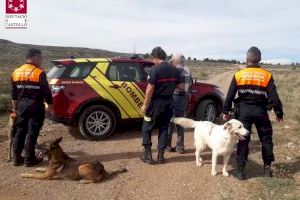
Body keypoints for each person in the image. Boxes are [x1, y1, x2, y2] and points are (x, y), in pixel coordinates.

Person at [223, 46, 283, 180]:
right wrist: (279, 114)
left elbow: (230, 95)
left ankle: (240, 171)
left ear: (246, 59)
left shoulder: (239, 74)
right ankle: (267, 169)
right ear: (260, 59)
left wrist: (226, 111)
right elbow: (274, 98)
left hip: (243, 112)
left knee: (243, 140)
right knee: (266, 139)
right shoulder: (266, 75)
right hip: (261, 111)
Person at [141, 47, 184, 164]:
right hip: (168, 104)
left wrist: (145, 105)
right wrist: (169, 86)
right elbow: (181, 87)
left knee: (147, 127)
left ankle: (148, 155)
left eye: (152, 58)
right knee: (164, 128)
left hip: (154, 104)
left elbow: (150, 88)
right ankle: (161, 156)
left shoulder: (154, 69)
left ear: (155, 57)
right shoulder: (175, 70)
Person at [11, 48, 53, 167]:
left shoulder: (16, 72)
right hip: (35, 106)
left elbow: (13, 94)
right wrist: (50, 107)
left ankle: (16, 158)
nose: (41, 60)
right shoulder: (39, 72)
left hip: (21, 106)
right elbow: (46, 92)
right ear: (34, 57)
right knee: (32, 132)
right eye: (40, 57)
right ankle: (29, 160)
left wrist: (15, 109)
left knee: (20, 131)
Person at [166, 54, 191, 154]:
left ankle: (167, 145)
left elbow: (171, 85)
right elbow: (189, 86)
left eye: (172, 61)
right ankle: (180, 147)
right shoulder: (188, 70)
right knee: (180, 123)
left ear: (176, 61)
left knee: (170, 123)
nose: (171, 62)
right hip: (183, 98)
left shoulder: (174, 70)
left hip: (174, 97)